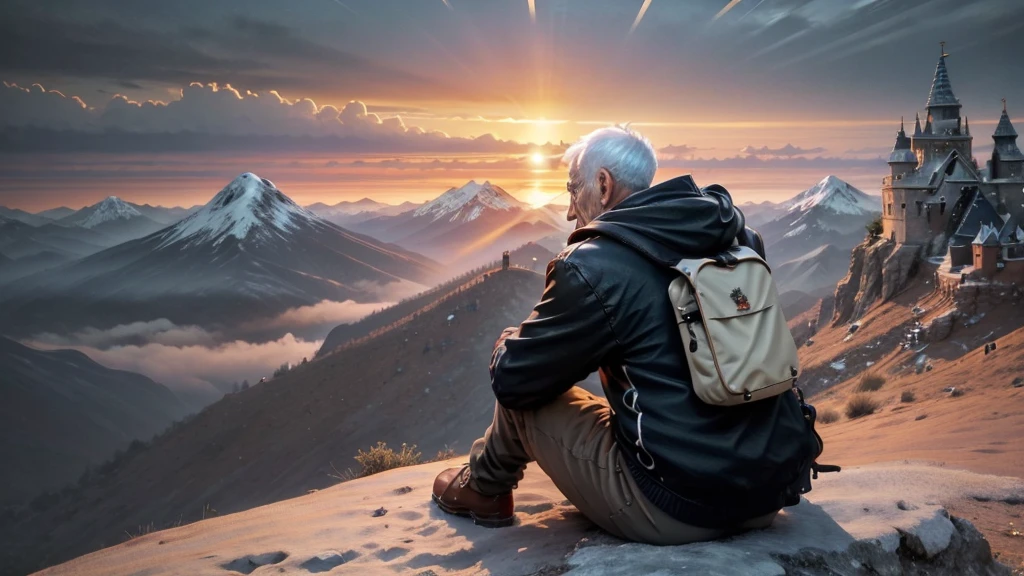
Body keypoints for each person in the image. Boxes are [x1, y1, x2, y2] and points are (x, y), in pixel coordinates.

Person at [431, 126, 814, 545]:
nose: (568, 209)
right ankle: (485, 483)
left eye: (572, 189)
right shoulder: (737, 235)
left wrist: (508, 342)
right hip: (766, 492)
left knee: (525, 378)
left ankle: (483, 489)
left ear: (603, 184)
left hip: (676, 505)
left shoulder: (597, 264)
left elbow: (516, 381)